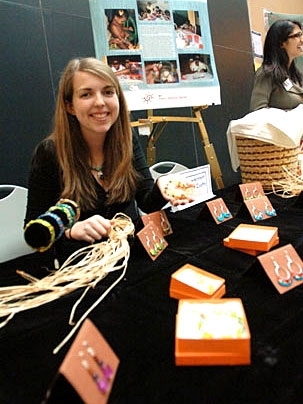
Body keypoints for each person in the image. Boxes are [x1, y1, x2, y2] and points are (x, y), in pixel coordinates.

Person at [25, 57, 193, 265]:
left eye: (108, 92)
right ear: (70, 106)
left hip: (129, 260)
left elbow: (147, 203)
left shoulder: (127, 140)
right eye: (86, 94)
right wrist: (70, 230)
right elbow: (33, 231)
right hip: (83, 270)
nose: (100, 102)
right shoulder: (50, 153)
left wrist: (161, 187)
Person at [250, 19, 303, 111]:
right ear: (281, 43)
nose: (302, 40)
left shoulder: (297, 75)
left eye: (301, 34)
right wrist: (291, 116)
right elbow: (257, 111)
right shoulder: (266, 74)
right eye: (297, 35)